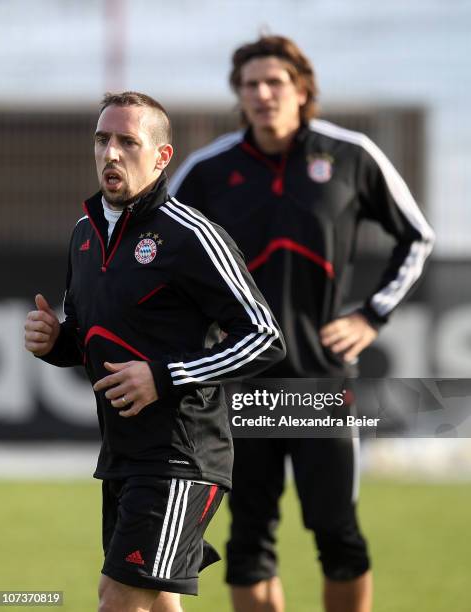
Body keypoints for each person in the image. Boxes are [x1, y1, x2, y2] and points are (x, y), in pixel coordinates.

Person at [170, 36, 435, 612]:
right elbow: (161, 252)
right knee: (247, 543)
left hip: (320, 382)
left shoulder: (351, 154)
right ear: (238, 94)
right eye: (250, 85)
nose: (263, 94)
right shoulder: (209, 170)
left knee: (338, 536)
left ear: (302, 90)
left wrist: (371, 313)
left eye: (276, 83)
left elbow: (417, 237)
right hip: (241, 384)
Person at [24, 91, 285, 612]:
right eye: (102, 140)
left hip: (181, 455)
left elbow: (264, 336)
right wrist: (57, 343)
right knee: (156, 603)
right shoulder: (84, 234)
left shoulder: (192, 235)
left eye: (127, 141)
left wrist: (162, 377)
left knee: (118, 598)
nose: (111, 153)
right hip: (122, 453)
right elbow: (92, 338)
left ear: (162, 156)